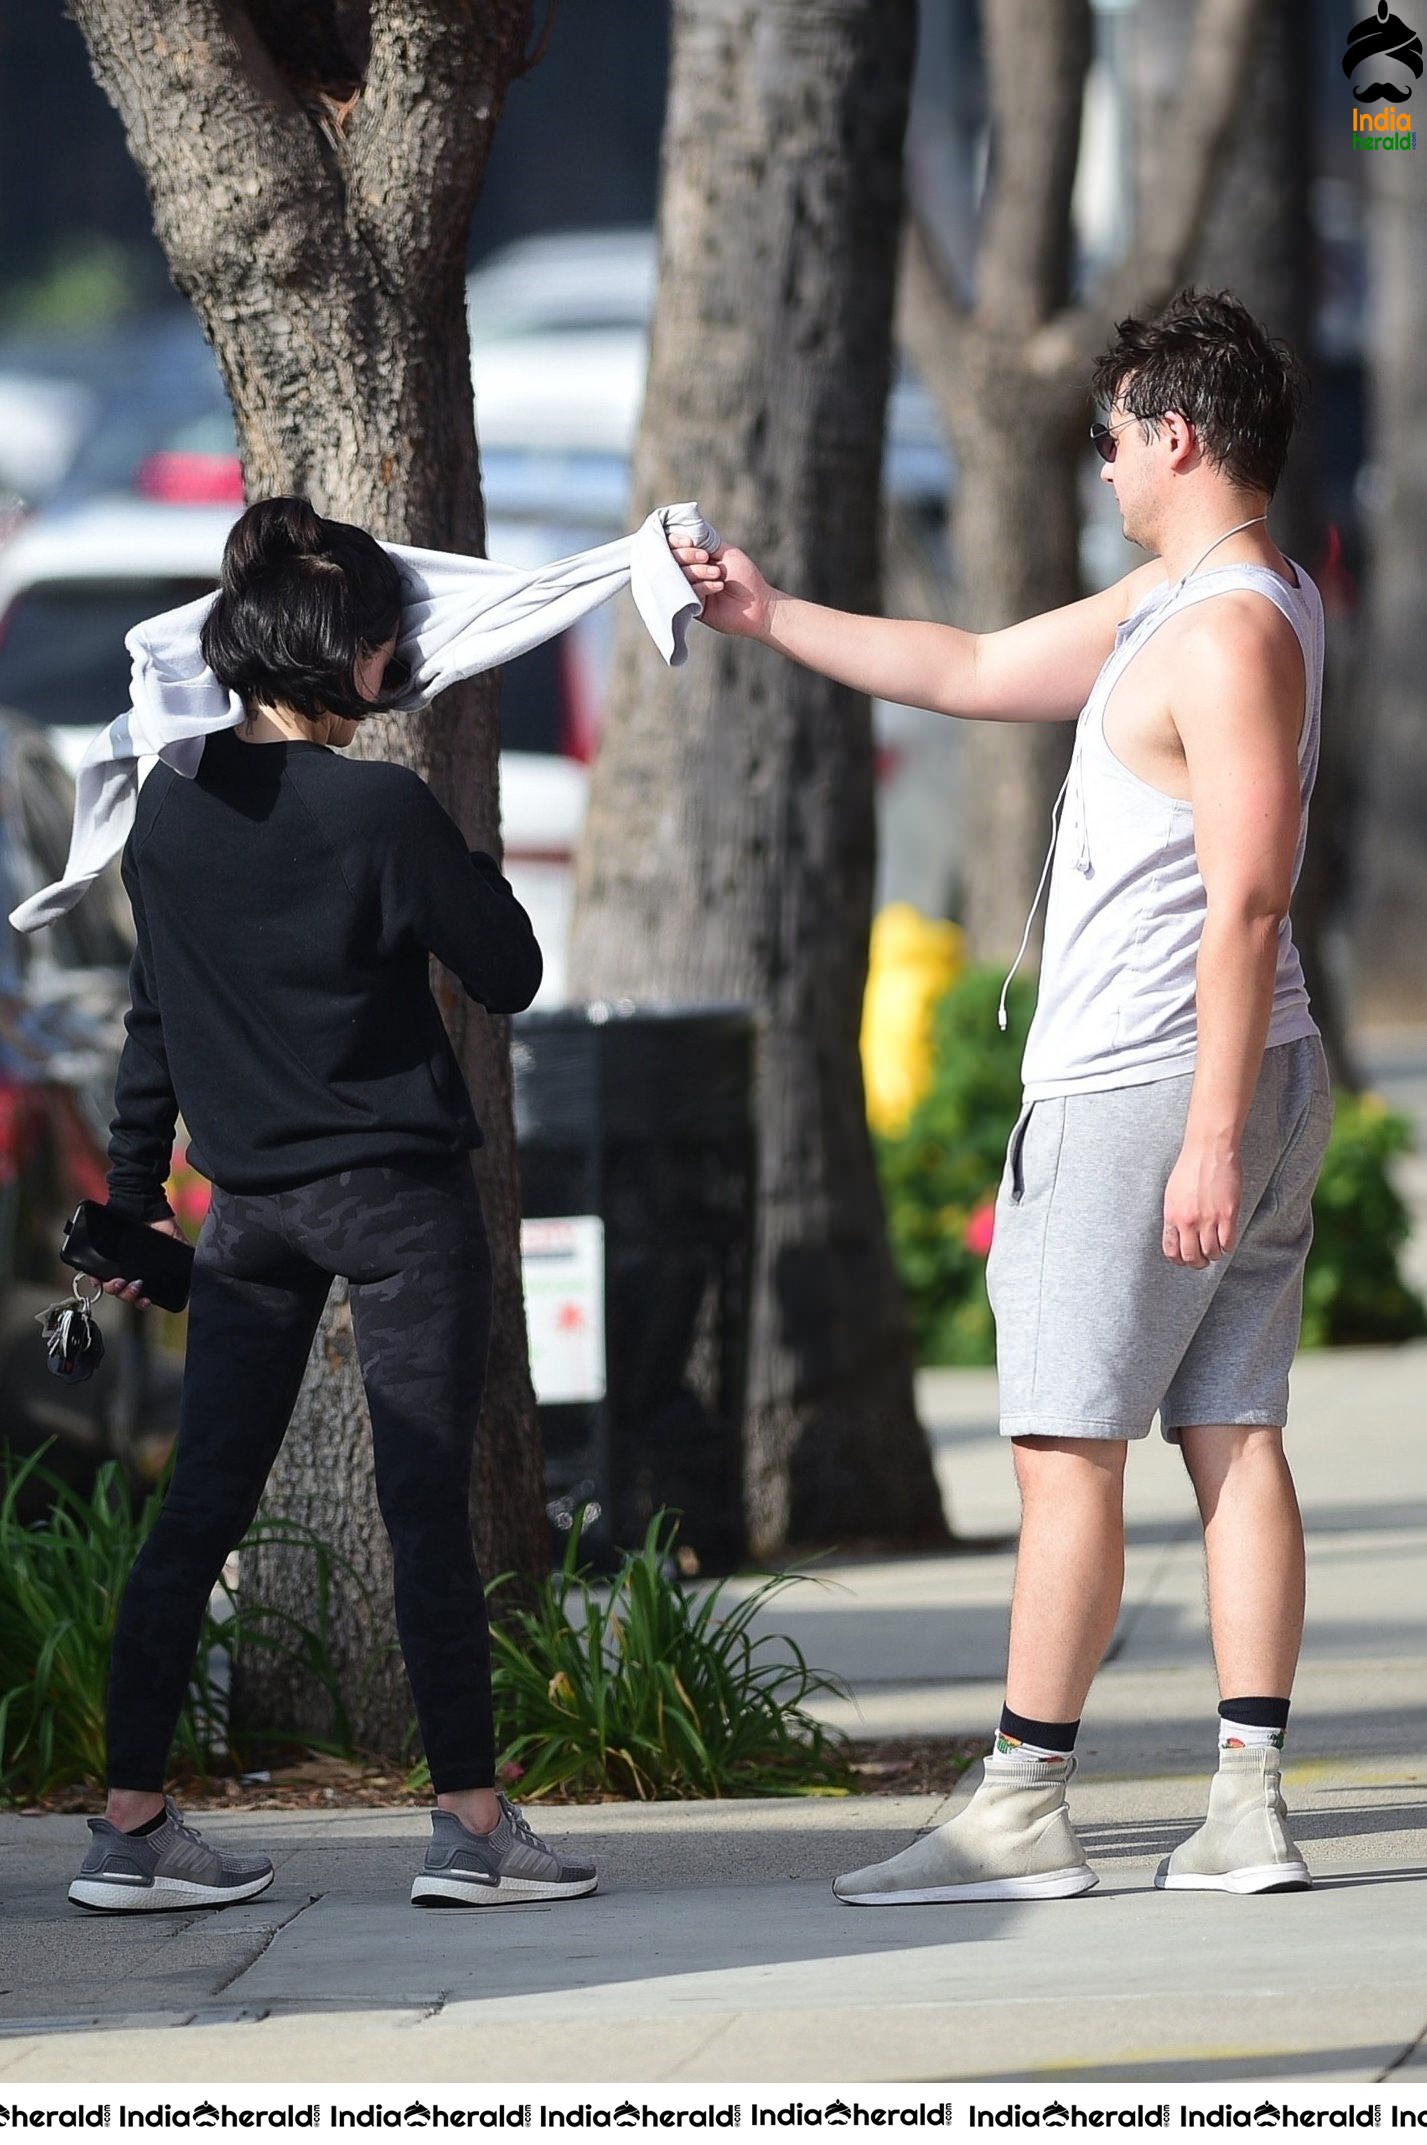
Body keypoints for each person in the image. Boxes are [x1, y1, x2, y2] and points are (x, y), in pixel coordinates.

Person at [672, 289, 1330, 1903]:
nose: (1101, 463)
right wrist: (770, 613)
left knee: (1065, 1452)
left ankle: (1025, 1804)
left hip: (1146, 1089)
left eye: (1113, 436)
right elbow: (969, 666)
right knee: (1233, 1429)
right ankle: (1247, 1803)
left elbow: (1249, 898)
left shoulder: (1226, 631)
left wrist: (1209, 1134)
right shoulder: (1217, 599)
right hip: (1222, 1071)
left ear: (1178, 436)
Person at [68, 498, 597, 1915]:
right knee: (424, 1509)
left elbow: (153, 1024)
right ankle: (469, 1828)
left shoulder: (167, 809)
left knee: (198, 1511)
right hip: (399, 1203)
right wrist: (459, 859)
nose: (395, 663)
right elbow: (509, 971)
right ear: (347, 656)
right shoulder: (382, 810)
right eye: (385, 643)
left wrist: (136, 1198)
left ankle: (127, 1829)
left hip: (248, 1213)